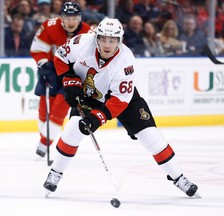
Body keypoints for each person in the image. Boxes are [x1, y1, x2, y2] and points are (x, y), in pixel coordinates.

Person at [43, 17, 199, 198]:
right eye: (103, 39)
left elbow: (119, 100)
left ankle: (179, 177)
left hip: (123, 99)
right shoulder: (82, 42)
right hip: (89, 94)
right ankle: (55, 173)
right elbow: (61, 56)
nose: (107, 45)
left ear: (119, 41)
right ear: (97, 38)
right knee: (72, 131)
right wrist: (70, 81)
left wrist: (96, 119)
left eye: (112, 40)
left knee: (151, 137)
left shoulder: (126, 61)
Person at [30, 2, 93, 158]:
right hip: (51, 71)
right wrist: (43, 65)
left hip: (73, 75)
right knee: (44, 108)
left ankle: (44, 143)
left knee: (59, 108)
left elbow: (94, 58)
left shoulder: (89, 33)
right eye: (67, 18)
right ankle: (45, 139)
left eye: (74, 18)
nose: (71, 22)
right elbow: (38, 49)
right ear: (61, 18)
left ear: (80, 19)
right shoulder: (50, 26)